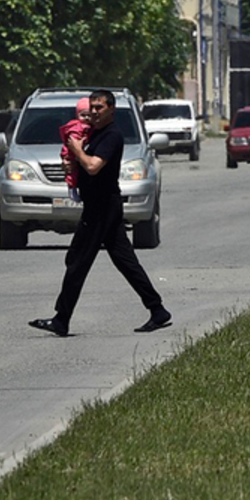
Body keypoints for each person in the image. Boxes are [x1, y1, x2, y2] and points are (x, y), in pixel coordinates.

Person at [29, 89, 172, 337]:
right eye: (92, 107)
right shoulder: (94, 134)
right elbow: (84, 165)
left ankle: (61, 320)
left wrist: (77, 151)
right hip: (99, 206)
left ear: (111, 110)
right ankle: (157, 310)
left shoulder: (112, 136)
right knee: (124, 261)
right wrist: (71, 163)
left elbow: (94, 166)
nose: (94, 112)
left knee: (78, 262)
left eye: (100, 108)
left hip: (102, 208)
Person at [58, 97, 91, 197]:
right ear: (77, 116)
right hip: (71, 153)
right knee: (72, 172)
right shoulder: (76, 127)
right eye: (83, 115)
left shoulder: (93, 128)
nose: (86, 118)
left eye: (88, 115)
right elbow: (73, 141)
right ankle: (72, 188)